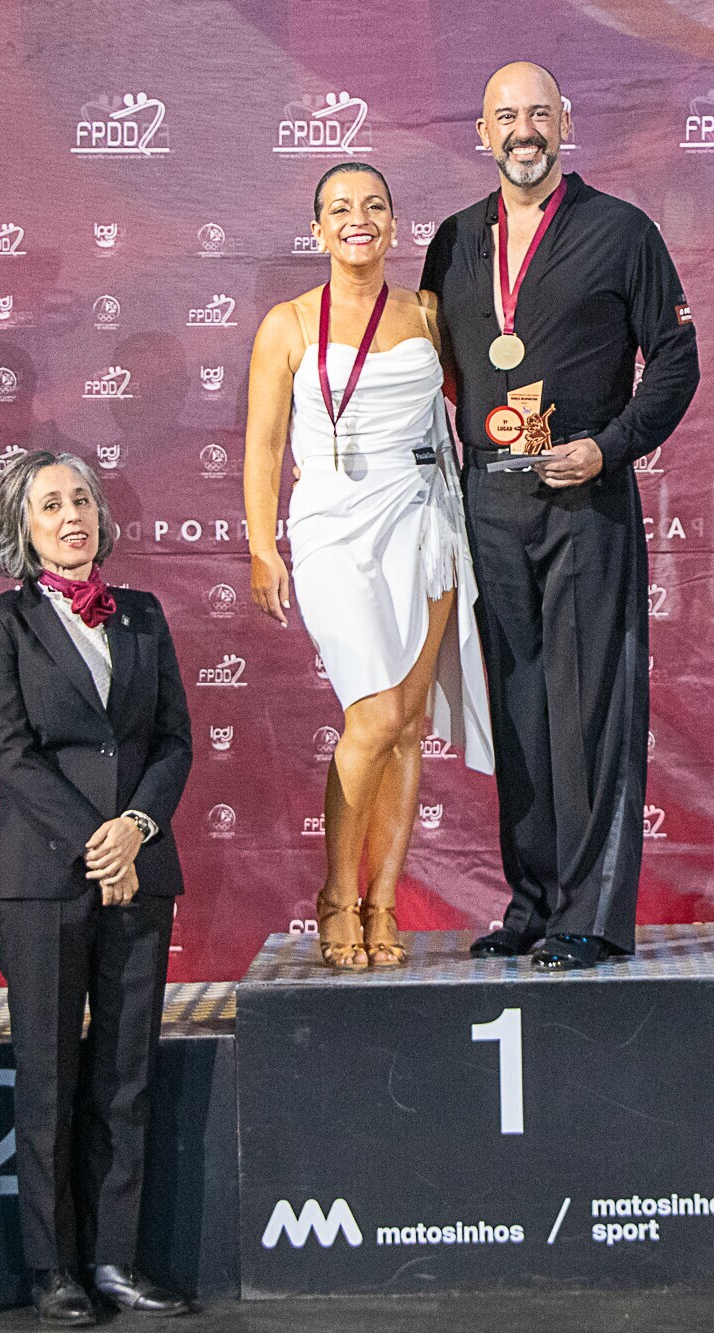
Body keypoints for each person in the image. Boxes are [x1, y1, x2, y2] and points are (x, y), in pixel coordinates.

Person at [420, 61, 698, 970]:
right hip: (489, 501)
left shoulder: (622, 231)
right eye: (506, 116)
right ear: (482, 133)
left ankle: (590, 912)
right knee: (520, 707)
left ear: (566, 122)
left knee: (589, 709)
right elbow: (429, 370)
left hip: (584, 495)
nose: (523, 130)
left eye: (538, 113)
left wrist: (609, 447)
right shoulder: (453, 241)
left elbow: (676, 360)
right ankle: (534, 900)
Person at [244, 161, 492, 970]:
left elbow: (483, 390)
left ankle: (382, 902)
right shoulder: (286, 323)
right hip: (333, 526)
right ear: (317, 228)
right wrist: (261, 545)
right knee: (374, 717)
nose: (360, 218)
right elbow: (264, 446)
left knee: (409, 726)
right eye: (342, 207)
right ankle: (335, 895)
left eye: (375, 205)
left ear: (393, 223)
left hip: (424, 520)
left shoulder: (427, 311)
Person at [0, 451, 194, 1324]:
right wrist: (99, 844)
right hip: (46, 876)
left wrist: (135, 828)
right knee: (49, 1073)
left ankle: (116, 1258)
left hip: (142, 870)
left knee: (125, 1075)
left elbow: (173, 740)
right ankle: (52, 1266)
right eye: (51, 505)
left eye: (82, 500)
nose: (71, 516)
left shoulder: (143, 613)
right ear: (22, 528)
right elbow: (9, 750)